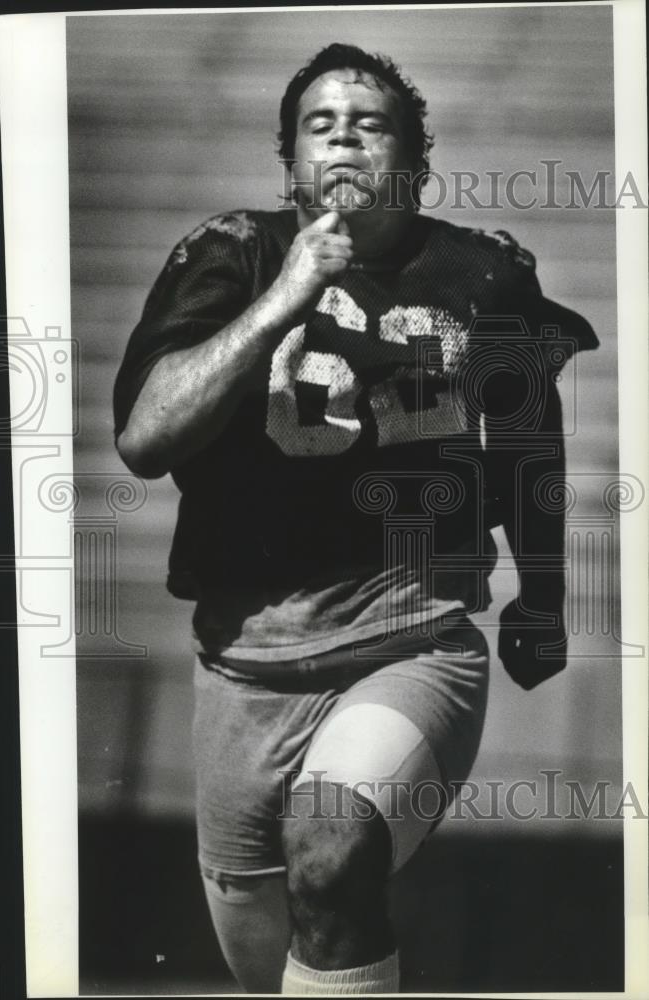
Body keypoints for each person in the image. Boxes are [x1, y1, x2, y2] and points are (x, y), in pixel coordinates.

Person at [113, 43, 598, 995]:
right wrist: (287, 294)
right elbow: (145, 439)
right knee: (272, 960)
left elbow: (533, 449)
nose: (342, 137)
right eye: (319, 124)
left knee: (332, 850)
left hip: (408, 638)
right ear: (288, 158)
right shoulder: (229, 254)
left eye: (370, 124)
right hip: (246, 663)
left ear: (413, 159)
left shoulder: (481, 273)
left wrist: (543, 598)